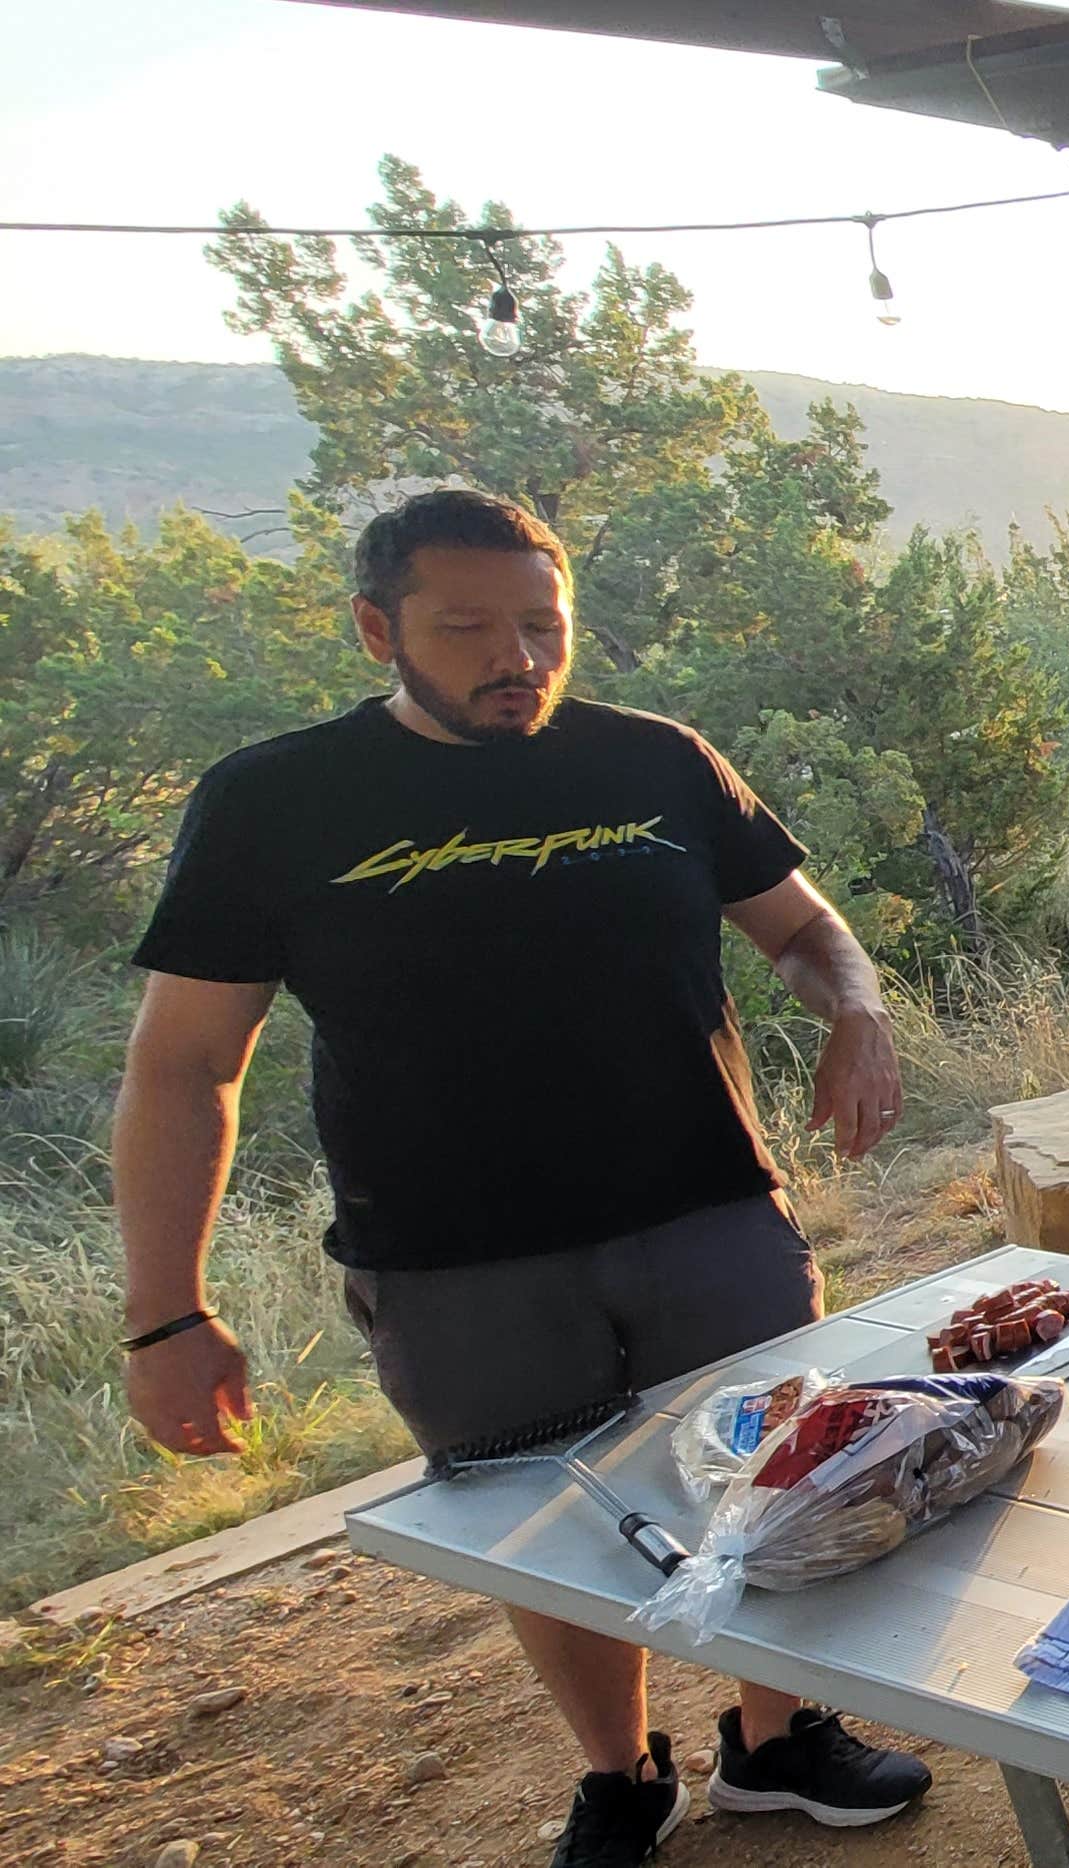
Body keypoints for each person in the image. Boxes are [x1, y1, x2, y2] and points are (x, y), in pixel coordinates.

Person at [114, 488, 935, 1867]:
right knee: (544, 1525)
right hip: (453, 1256)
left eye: (543, 625)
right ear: (380, 628)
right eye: (470, 627)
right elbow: (185, 1064)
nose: (519, 656)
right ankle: (623, 1773)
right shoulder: (274, 802)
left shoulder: (656, 760)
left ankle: (776, 1737)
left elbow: (803, 926)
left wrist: (856, 1008)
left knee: (782, 1479)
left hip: (708, 1208)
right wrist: (164, 1313)